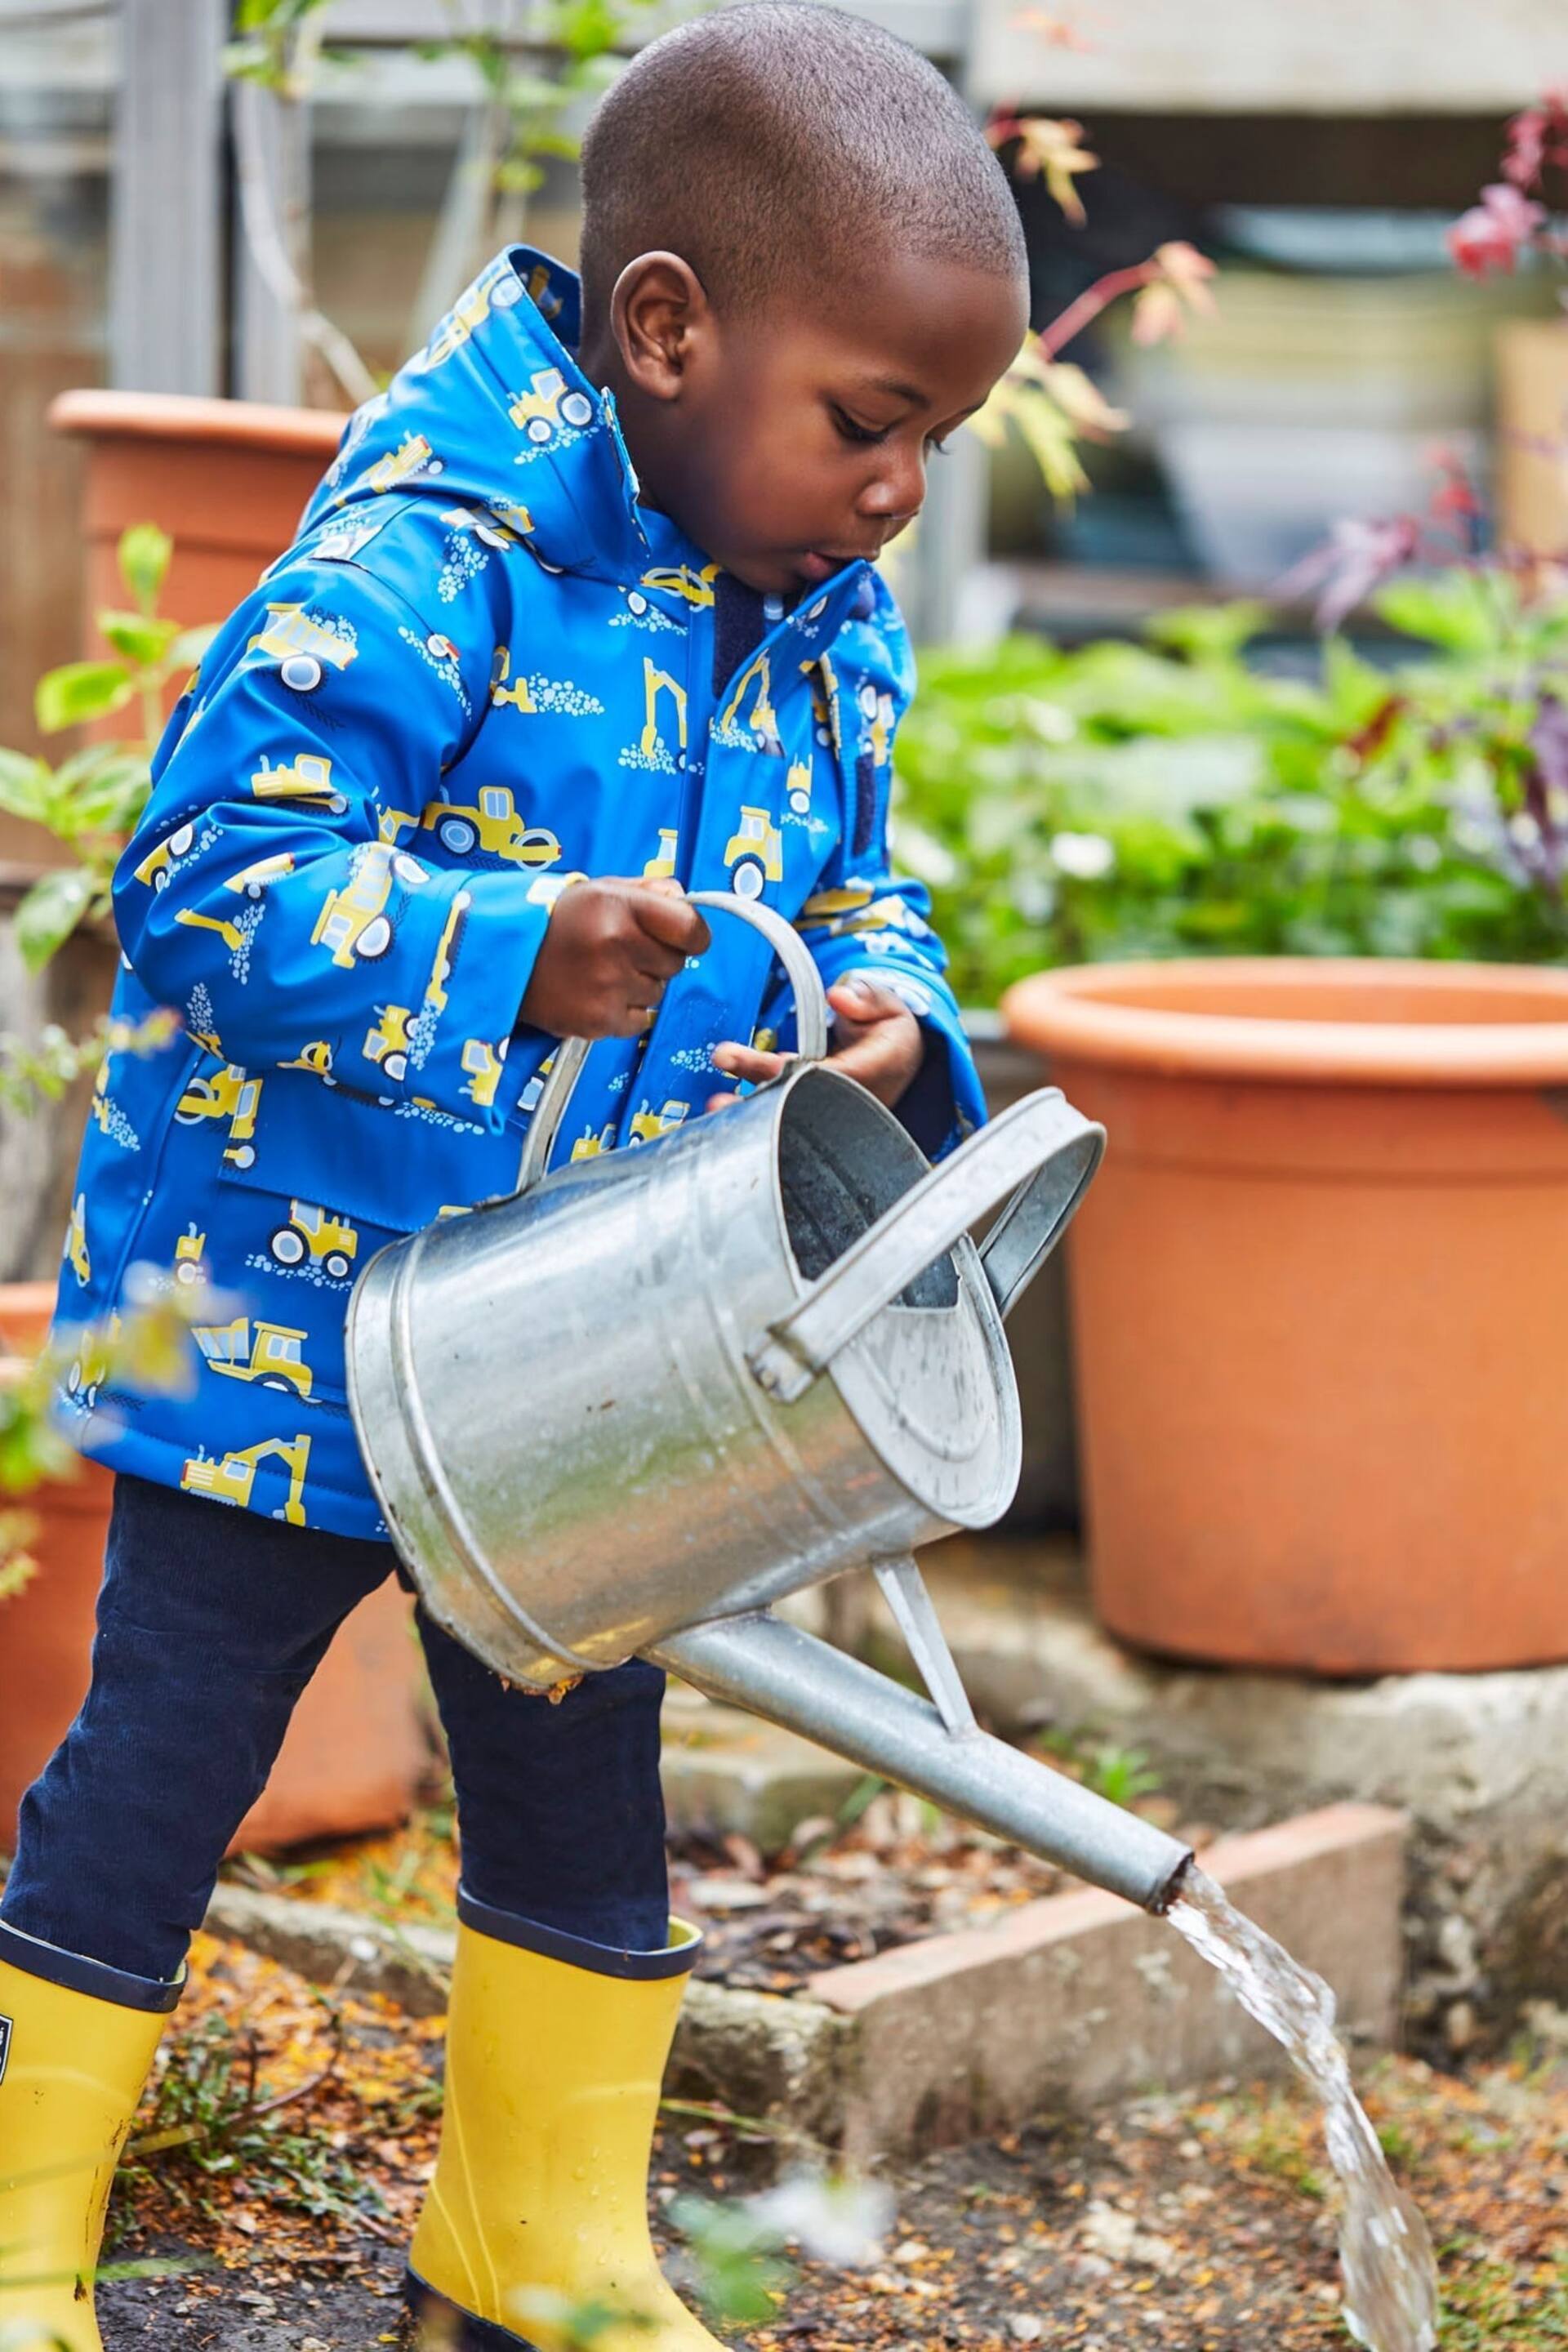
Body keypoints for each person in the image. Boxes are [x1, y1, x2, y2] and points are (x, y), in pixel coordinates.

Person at [0, 7, 1029, 2345]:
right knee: (165, 1761)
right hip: (283, 1321)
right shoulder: (428, 555)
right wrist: (504, 952)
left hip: (576, 1358)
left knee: (585, 1784)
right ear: (667, 329)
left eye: (933, 445)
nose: (897, 494)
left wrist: (895, 1012)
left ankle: (531, 2245)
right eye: (869, 423)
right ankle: (18, 2237)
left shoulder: (822, 612)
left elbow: (866, 886)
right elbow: (202, 880)